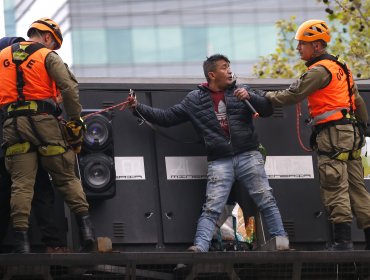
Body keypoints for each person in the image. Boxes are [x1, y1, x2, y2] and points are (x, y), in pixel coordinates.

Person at [128, 53, 289, 252]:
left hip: (248, 154)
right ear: (212, 75)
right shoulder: (194, 99)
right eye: (224, 67)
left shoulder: (243, 90)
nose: (229, 70)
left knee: (266, 198)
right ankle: (200, 246)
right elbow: (167, 117)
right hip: (219, 160)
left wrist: (251, 97)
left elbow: (267, 109)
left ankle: (281, 241)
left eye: (229, 66)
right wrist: (137, 108)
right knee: (212, 207)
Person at [258, 19, 370, 250]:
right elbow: (357, 102)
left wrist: (263, 97)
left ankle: (343, 242)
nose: (298, 48)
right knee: (357, 187)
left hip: (332, 136)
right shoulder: (342, 68)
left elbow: (291, 95)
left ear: (317, 46)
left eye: (302, 44)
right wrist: (363, 127)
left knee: (334, 184)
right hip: (351, 134)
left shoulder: (319, 71)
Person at [0, 18, 95, 253]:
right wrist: (74, 120)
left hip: (13, 125)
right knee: (66, 177)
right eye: (53, 43)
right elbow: (69, 88)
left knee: (21, 185)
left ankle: (22, 245)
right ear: (48, 37)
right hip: (45, 124)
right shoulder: (47, 56)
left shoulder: (2, 57)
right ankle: (87, 234)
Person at [0, 36, 70, 254]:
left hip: (12, 149)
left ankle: (42, 243)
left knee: (12, 196)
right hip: (23, 148)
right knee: (40, 191)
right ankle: (54, 244)